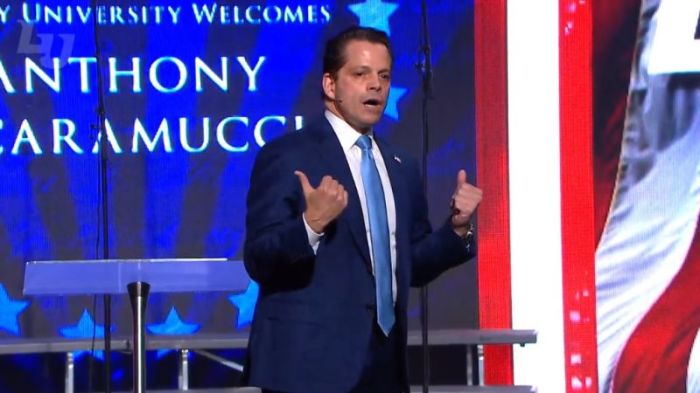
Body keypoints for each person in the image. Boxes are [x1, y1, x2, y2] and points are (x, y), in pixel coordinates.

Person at [242, 26, 482, 393]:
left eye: (384, 76)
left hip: (385, 370)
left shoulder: (400, 165)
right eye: (361, 74)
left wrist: (457, 230)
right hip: (307, 372)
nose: (376, 85)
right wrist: (311, 225)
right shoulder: (288, 155)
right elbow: (259, 258)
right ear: (329, 84)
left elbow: (410, 264)